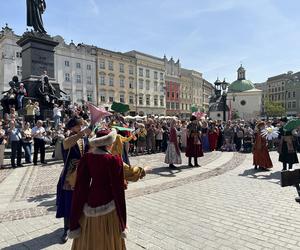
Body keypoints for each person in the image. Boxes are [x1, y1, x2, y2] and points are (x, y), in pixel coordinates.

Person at [68, 129, 126, 249]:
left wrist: (75, 215)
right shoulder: (114, 160)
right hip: (109, 202)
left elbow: (81, 186)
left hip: (91, 200)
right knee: (110, 236)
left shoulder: (87, 158)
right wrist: (123, 220)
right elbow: (118, 189)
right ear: (109, 144)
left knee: (88, 236)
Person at [56, 117, 91, 243]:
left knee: (82, 199)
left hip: (82, 174)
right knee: (68, 202)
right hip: (69, 175)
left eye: (81, 125)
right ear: (72, 127)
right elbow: (66, 144)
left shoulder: (84, 138)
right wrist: (82, 133)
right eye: (78, 126)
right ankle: (66, 229)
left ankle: (79, 224)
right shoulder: (66, 137)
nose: (80, 127)